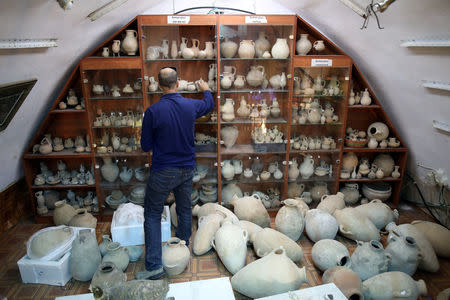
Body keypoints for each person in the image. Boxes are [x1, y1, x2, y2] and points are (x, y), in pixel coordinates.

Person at [136, 67, 214, 280]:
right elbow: (209, 105)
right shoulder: (190, 105)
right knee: (184, 208)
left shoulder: (152, 111)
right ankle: (182, 248)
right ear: (178, 83)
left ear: (159, 86)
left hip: (162, 169)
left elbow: (145, 146)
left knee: (152, 214)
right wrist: (206, 89)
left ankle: (153, 267)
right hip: (187, 168)